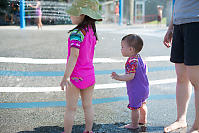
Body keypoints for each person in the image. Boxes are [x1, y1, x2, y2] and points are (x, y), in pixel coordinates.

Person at [60, 0, 102, 133]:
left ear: (82, 15)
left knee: (71, 108)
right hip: (90, 75)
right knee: (88, 106)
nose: (70, 16)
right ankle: (88, 130)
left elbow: (74, 56)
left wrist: (66, 77)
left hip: (76, 76)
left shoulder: (76, 33)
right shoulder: (91, 32)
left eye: (73, 13)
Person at [163, 0, 199, 132]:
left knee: (196, 80)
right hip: (179, 25)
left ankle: (198, 125)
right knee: (181, 77)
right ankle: (181, 119)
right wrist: (170, 27)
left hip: (196, 24)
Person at [111, 34, 149, 130]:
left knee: (135, 108)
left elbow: (130, 76)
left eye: (123, 47)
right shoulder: (139, 58)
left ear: (131, 49)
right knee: (143, 103)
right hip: (144, 88)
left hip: (135, 89)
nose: (121, 49)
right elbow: (145, 70)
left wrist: (118, 77)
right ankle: (143, 120)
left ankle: (134, 124)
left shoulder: (131, 61)